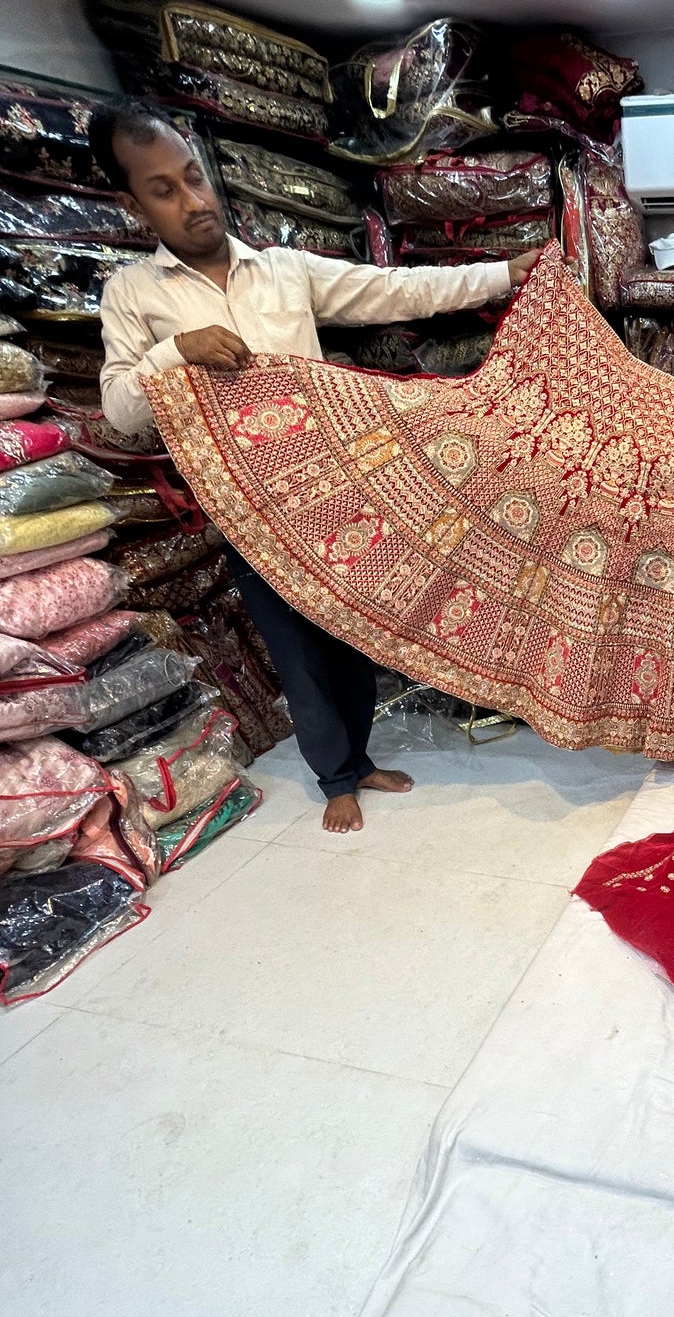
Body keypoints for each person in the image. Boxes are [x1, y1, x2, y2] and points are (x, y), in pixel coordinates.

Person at [92, 100, 540, 834]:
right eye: (164, 189)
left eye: (194, 177)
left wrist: (500, 275)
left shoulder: (280, 271)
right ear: (131, 203)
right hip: (247, 511)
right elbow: (118, 408)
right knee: (297, 652)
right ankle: (334, 774)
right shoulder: (134, 295)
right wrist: (178, 352)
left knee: (350, 631)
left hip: (331, 496)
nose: (194, 200)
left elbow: (392, 290)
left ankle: (359, 759)